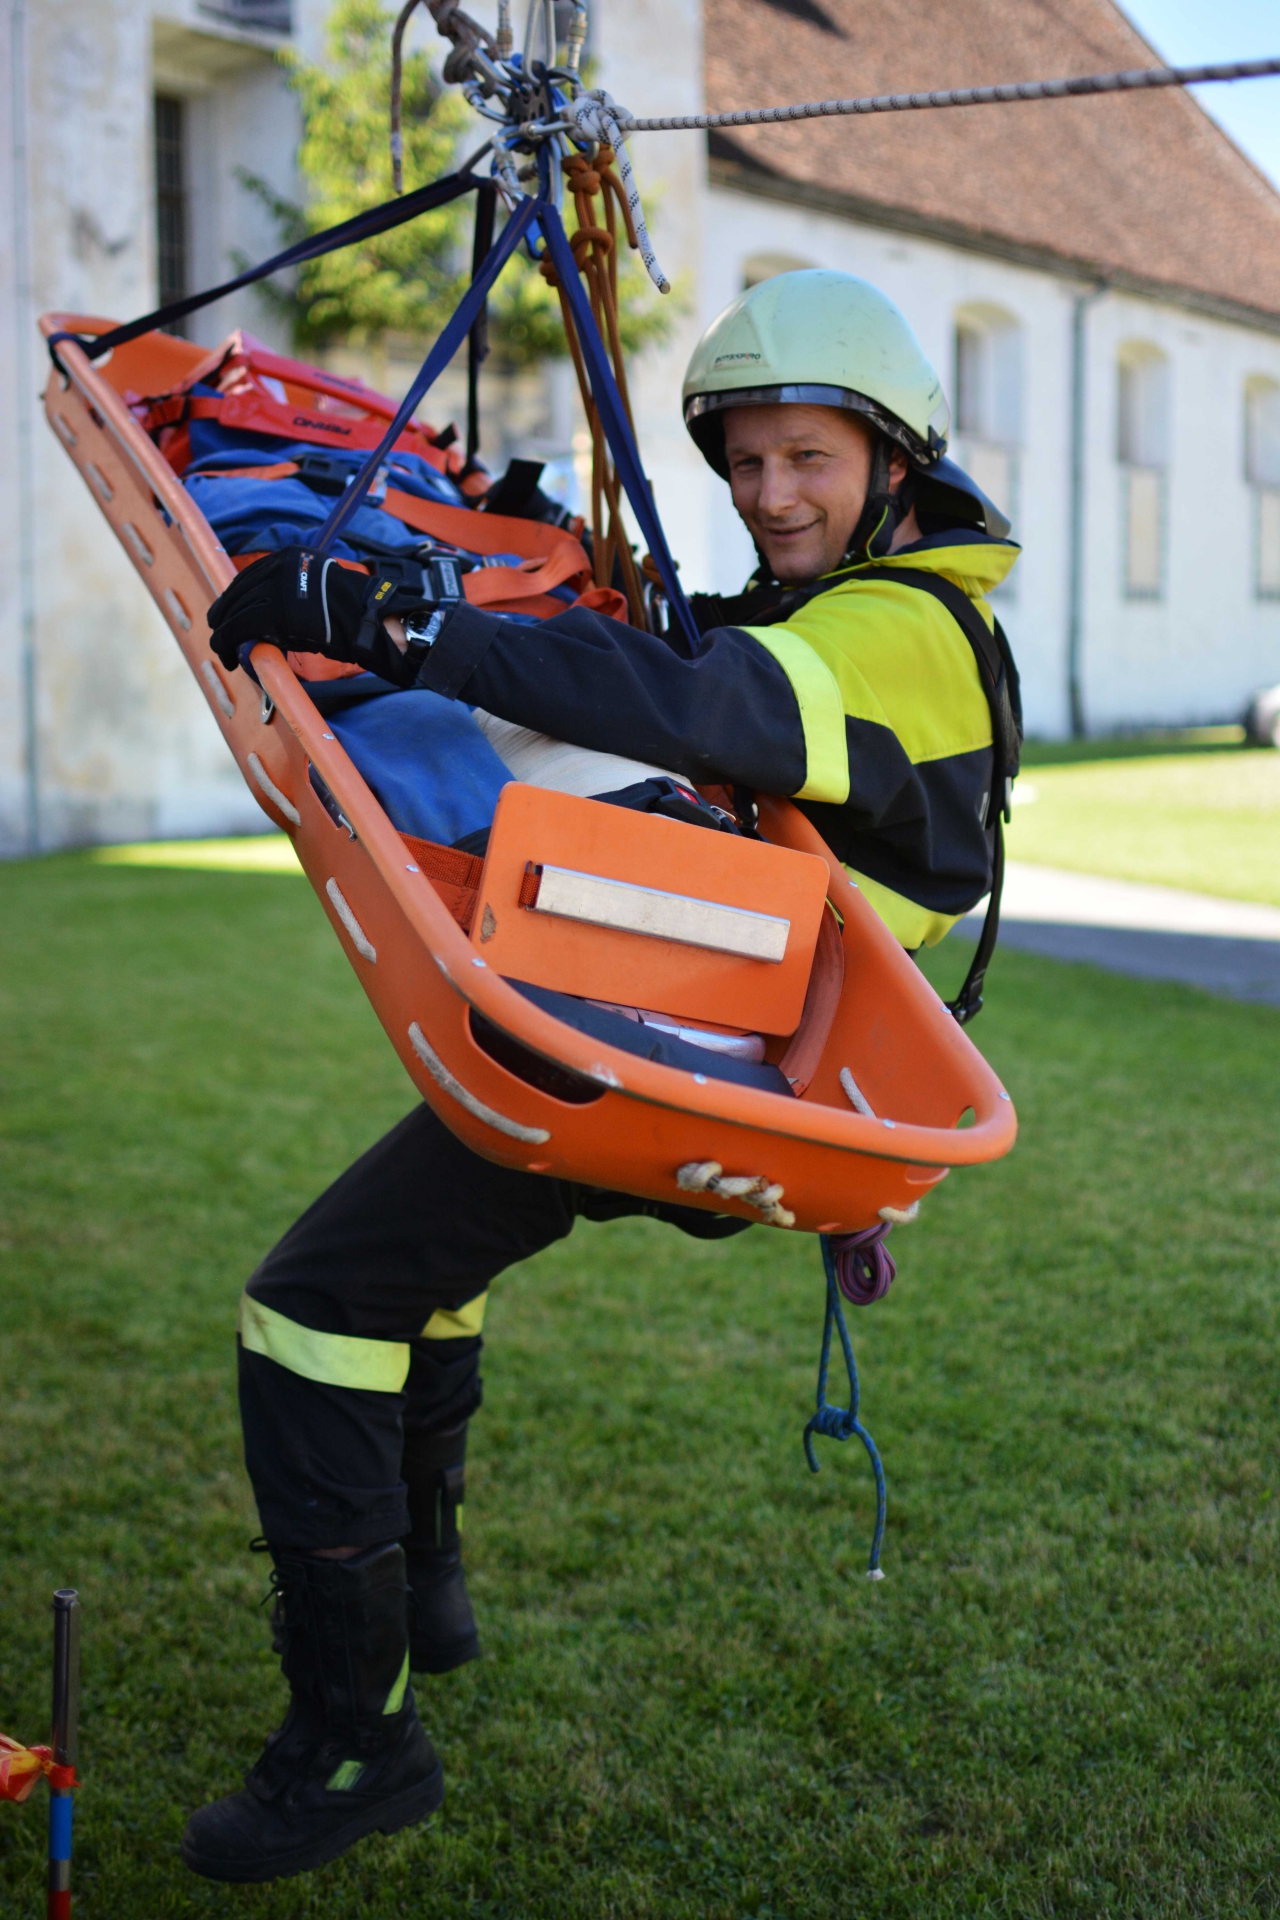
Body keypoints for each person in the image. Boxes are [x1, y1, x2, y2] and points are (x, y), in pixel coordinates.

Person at [180, 269, 1019, 1883]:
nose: (770, 495)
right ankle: (428, 1591)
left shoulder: (904, 628)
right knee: (436, 1238)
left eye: (809, 459)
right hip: (691, 1036)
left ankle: (357, 1747)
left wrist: (404, 623)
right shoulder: (860, 607)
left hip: (674, 1051)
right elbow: (692, 675)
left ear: (894, 462)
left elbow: (700, 703)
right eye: (747, 461)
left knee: (313, 1308)